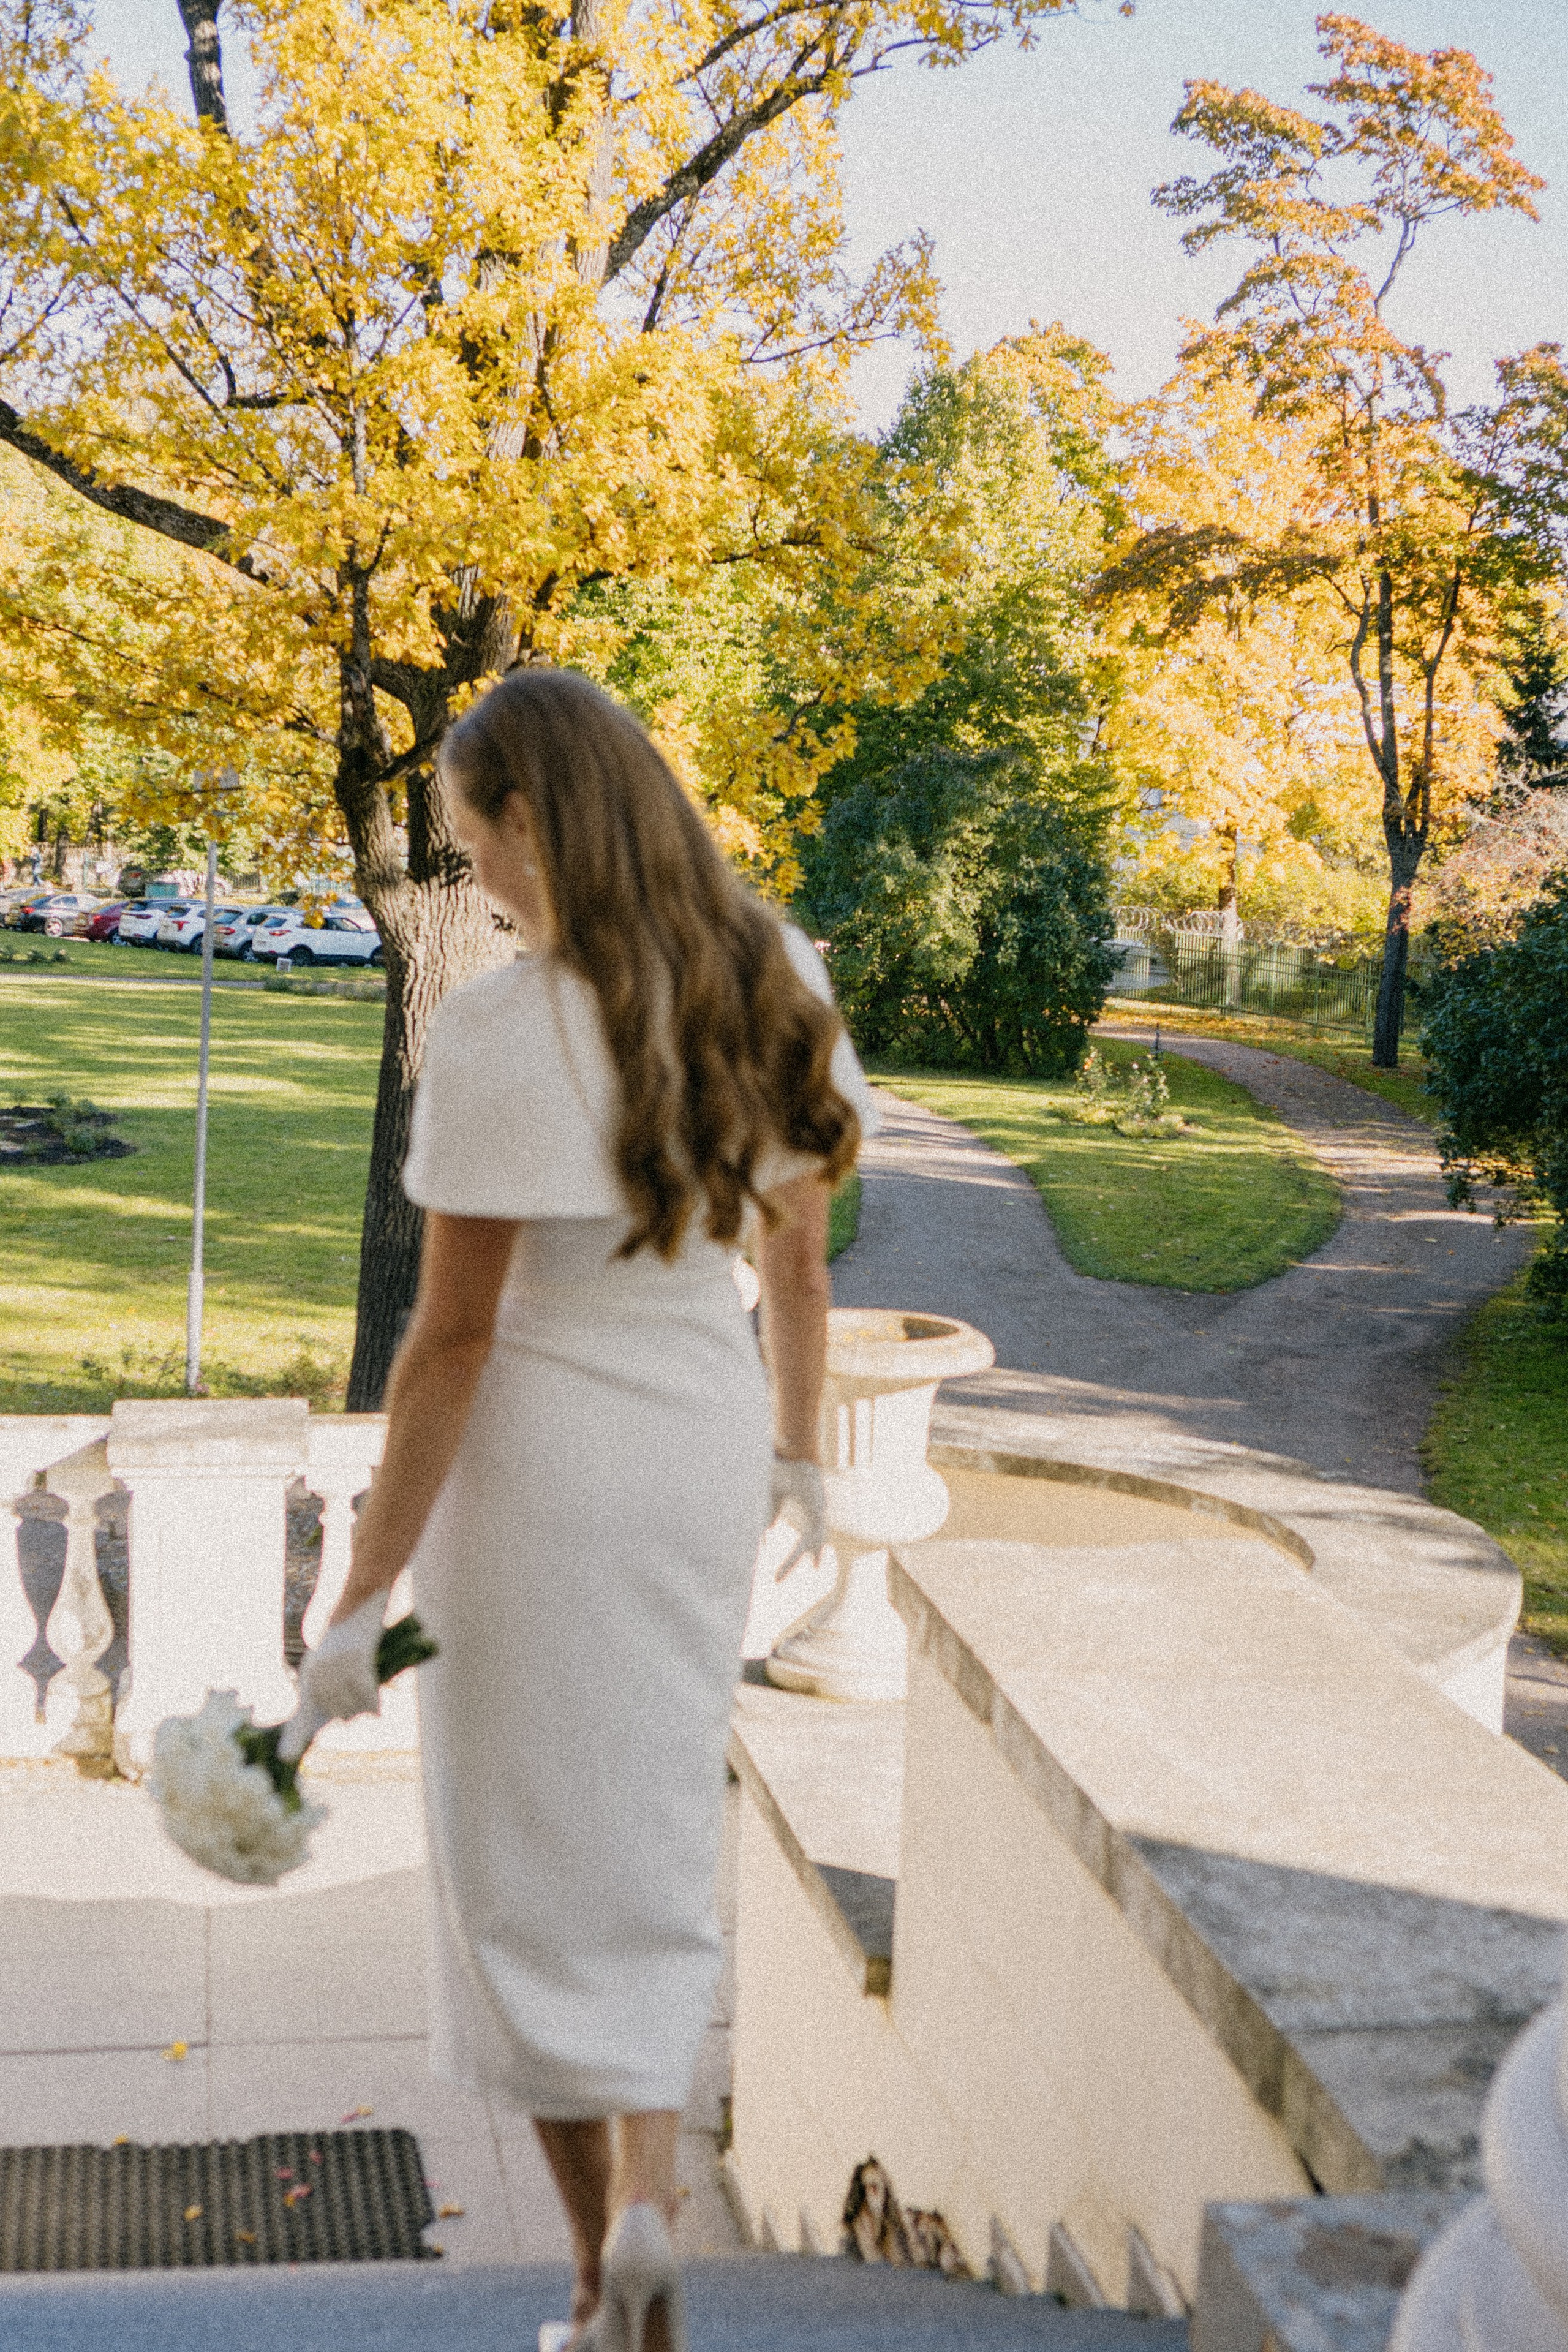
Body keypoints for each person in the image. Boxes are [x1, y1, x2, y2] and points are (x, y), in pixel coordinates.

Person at [287, 667, 876, 2352]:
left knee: (516, 1881)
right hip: (694, 1453)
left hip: (534, 1474)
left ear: (535, 818)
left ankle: (588, 2270)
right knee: (647, 1843)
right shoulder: (780, 975)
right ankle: (654, 2214)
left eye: (475, 844)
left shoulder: (495, 1030)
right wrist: (802, 1462)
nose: (473, 880)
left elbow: (450, 1345)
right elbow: (800, 1264)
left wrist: (359, 1598)